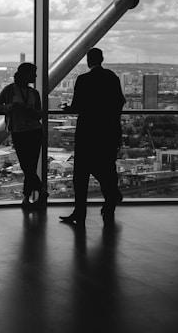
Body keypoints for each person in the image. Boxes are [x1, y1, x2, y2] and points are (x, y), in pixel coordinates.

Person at [60, 48, 126, 226]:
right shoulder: (112, 78)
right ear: (102, 59)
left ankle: (80, 212)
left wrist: (67, 109)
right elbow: (120, 102)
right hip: (108, 132)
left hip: (87, 133)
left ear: (89, 61)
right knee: (107, 168)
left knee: (80, 175)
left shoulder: (83, 79)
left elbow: (76, 107)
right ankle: (110, 202)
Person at [0, 62, 47, 209]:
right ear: (26, 74)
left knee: (29, 166)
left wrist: (28, 111)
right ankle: (39, 192)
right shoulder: (10, 90)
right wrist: (11, 107)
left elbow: (39, 114)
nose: (35, 76)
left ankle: (27, 197)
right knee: (27, 166)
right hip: (22, 131)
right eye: (33, 73)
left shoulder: (34, 93)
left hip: (32, 131)